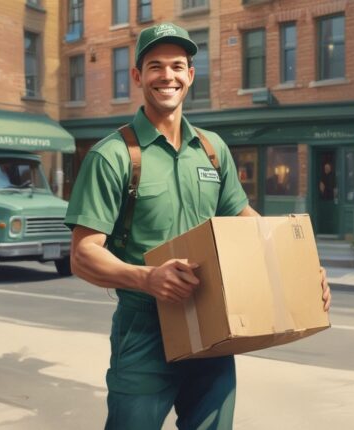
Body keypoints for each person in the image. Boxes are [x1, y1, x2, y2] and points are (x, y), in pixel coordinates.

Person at [65, 22, 332, 430]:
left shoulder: (211, 150)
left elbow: (247, 222)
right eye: (155, 66)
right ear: (138, 76)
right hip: (145, 330)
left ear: (191, 74)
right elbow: (83, 256)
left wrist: (303, 272)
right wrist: (148, 277)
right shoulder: (113, 155)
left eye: (177, 66)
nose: (166, 76)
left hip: (214, 321)